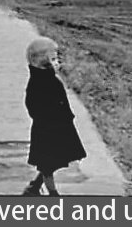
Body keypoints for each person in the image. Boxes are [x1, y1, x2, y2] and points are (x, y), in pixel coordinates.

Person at [21, 37, 86, 197]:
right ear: (43, 61)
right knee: (47, 163)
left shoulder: (50, 78)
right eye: (53, 59)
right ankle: (52, 193)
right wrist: (46, 118)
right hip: (47, 128)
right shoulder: (39, 81)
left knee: (54, 160)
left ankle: (35, 186)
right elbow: (32, 105)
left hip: (59, 126)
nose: (58, 63)